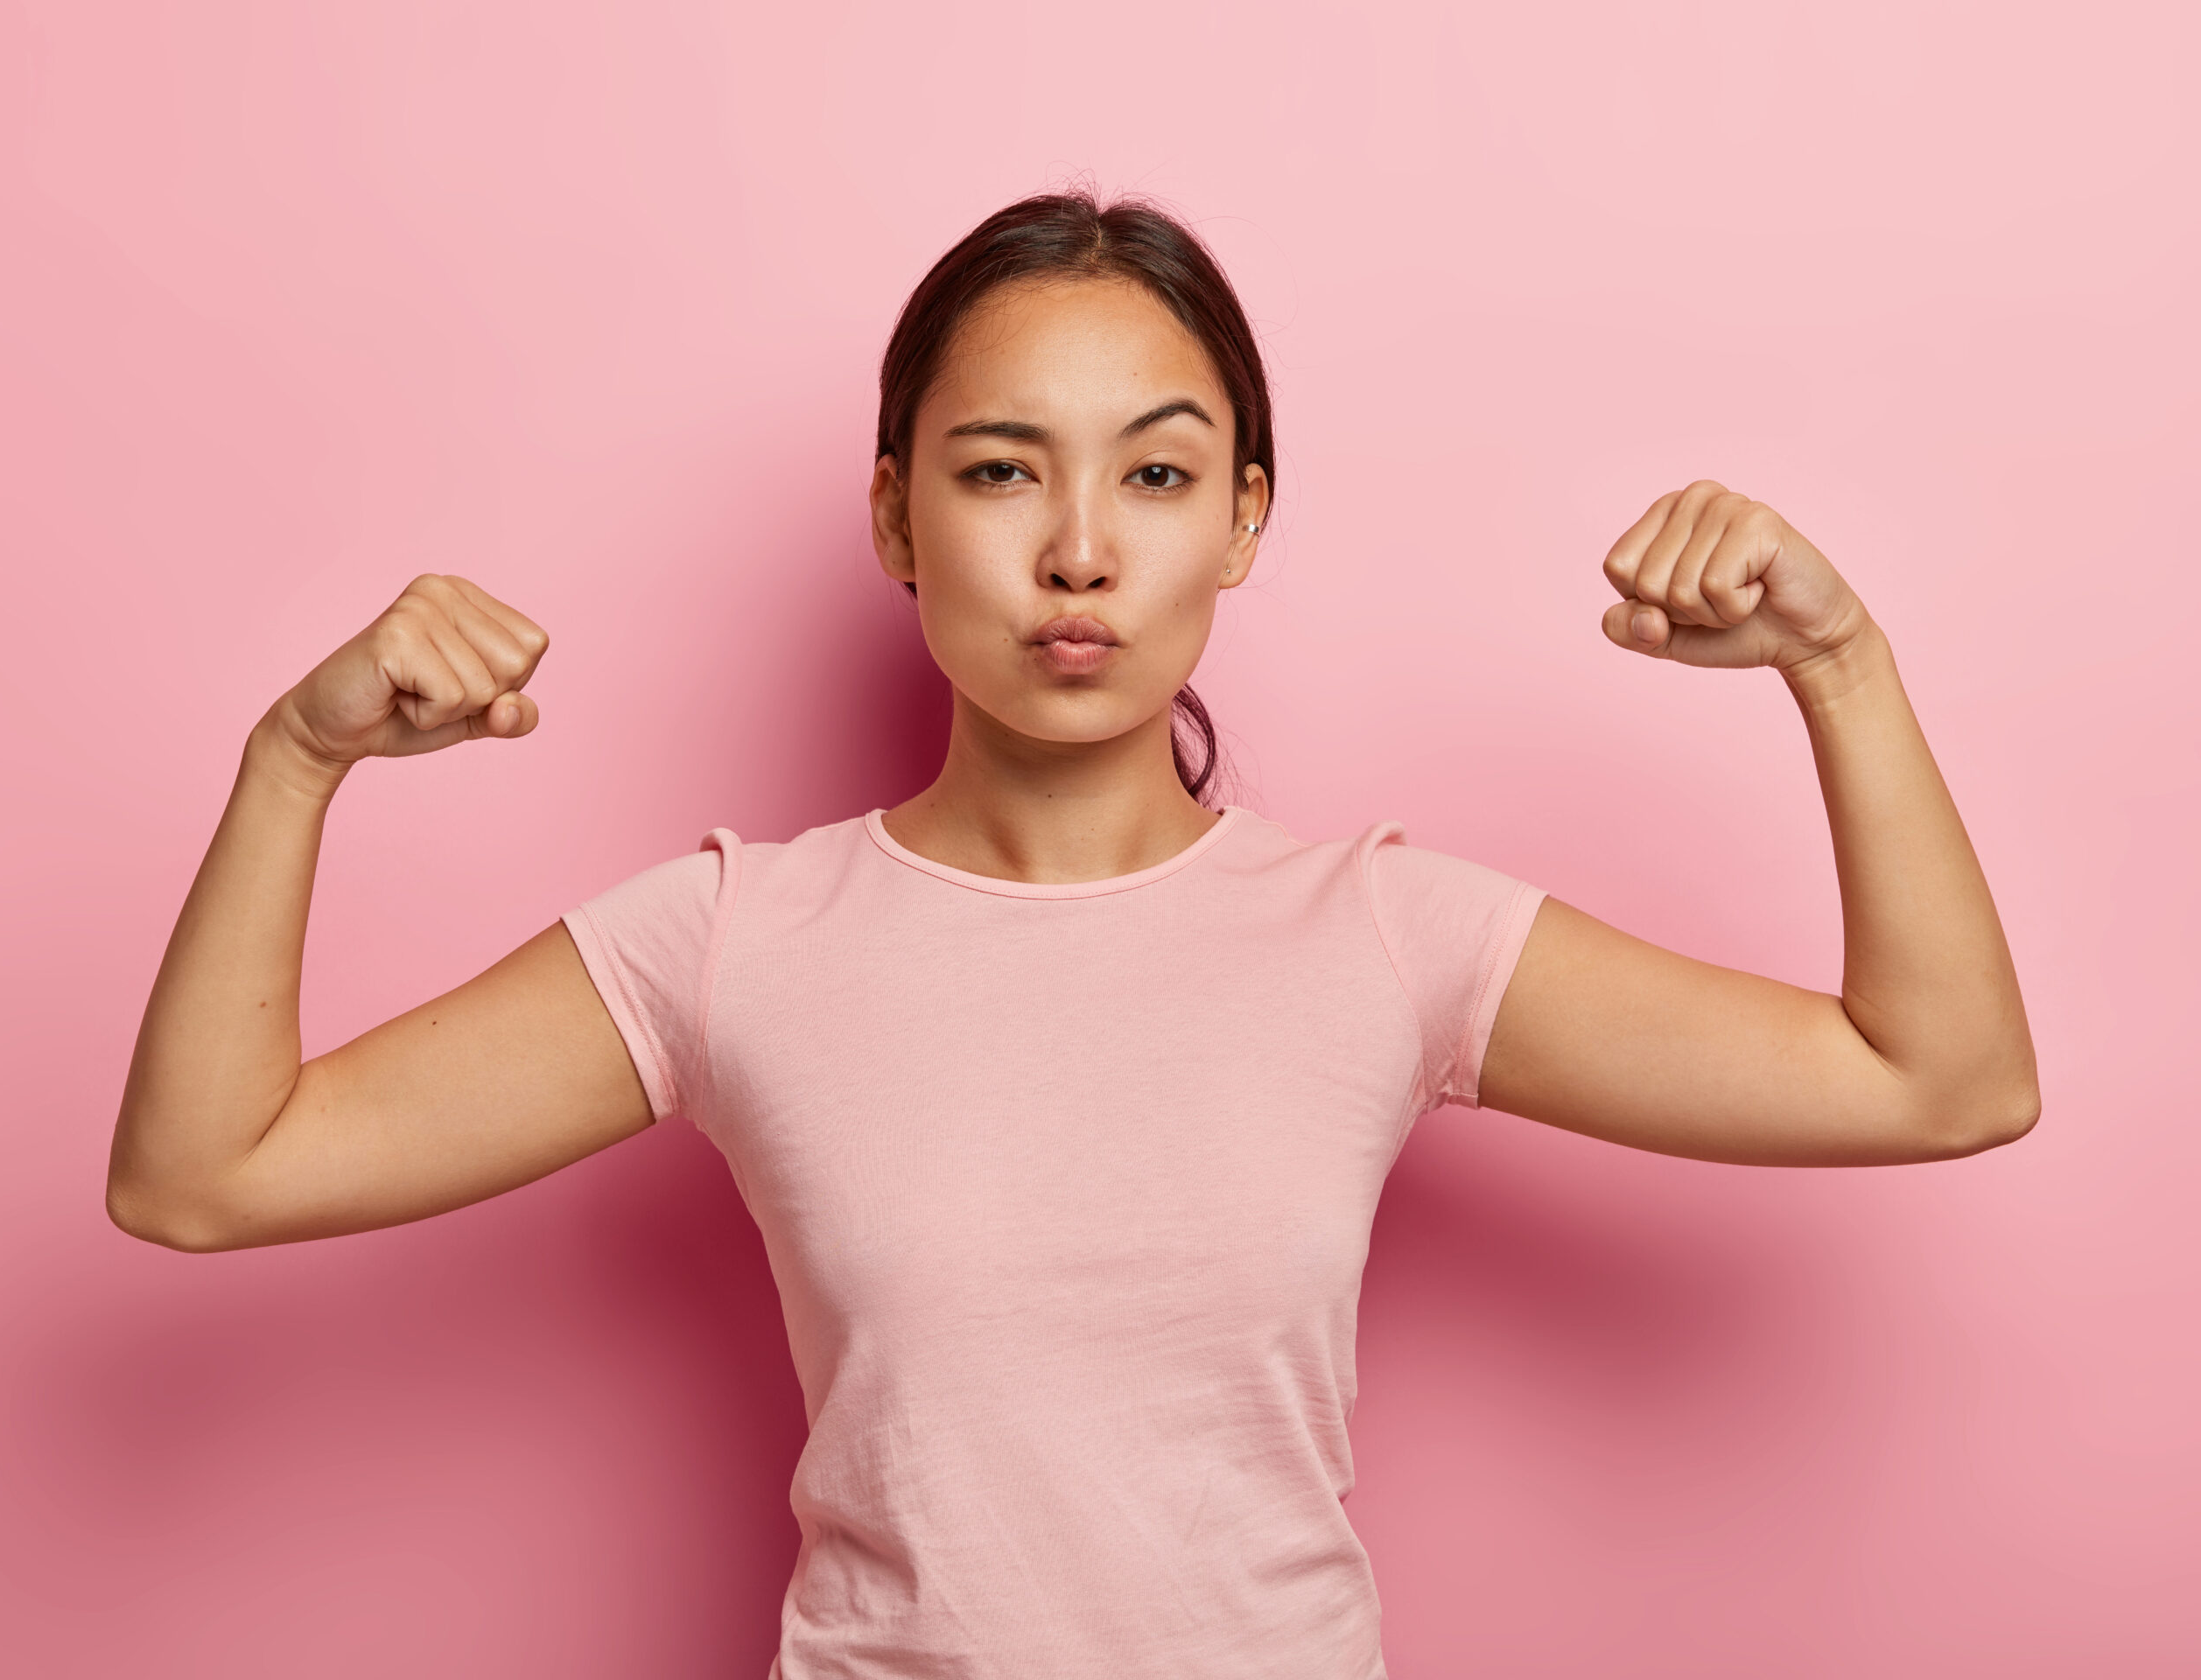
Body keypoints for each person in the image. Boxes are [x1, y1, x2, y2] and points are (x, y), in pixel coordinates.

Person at [108, 193, 2038, 1678]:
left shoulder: (1375, 931)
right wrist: (295, 765)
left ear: (1242, 520)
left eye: (1158, 471)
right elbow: (204, 1175)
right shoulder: (735, 940)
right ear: (894, 515)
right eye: (1000, 468)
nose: (1080, 550)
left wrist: (1838, 668)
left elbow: (1936, 1079)